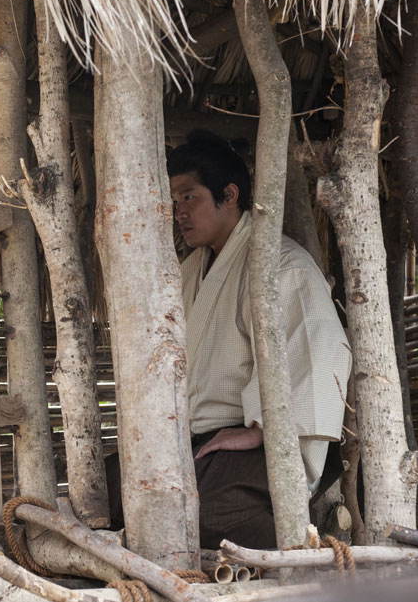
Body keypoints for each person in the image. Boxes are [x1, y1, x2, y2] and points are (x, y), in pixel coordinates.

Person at [105, 130, 350, 550]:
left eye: (190, 197)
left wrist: (259, 428)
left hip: (264, 440)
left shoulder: (281, 265)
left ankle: (307, 548)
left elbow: (317, 345)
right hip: (201, 442)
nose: (178, 212)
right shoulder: (186, 271)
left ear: (229, 194)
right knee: (112, 490)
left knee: (211, 510)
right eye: (174, 201)